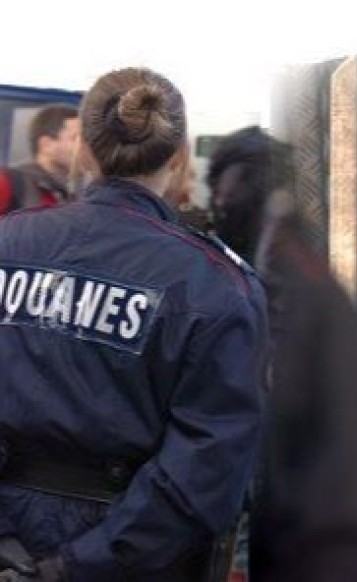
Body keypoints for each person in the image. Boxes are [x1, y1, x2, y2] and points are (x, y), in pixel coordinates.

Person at [0, 68, 267, 581]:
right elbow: (207, 466)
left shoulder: (8, 244)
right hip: (132, 557)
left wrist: (8, 542)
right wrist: (73, 568)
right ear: (180, 155)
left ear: (84, 150)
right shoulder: (213, 283)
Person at [207, 126, 357, 582]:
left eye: (224, 200)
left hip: (325, 534)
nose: (218, 209)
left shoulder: (290, 280)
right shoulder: (297, 266)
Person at [0, 104, 80, 215]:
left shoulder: (75, 194)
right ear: (46, 145)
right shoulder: (8, 182)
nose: (85, 147)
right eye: (75, 138)